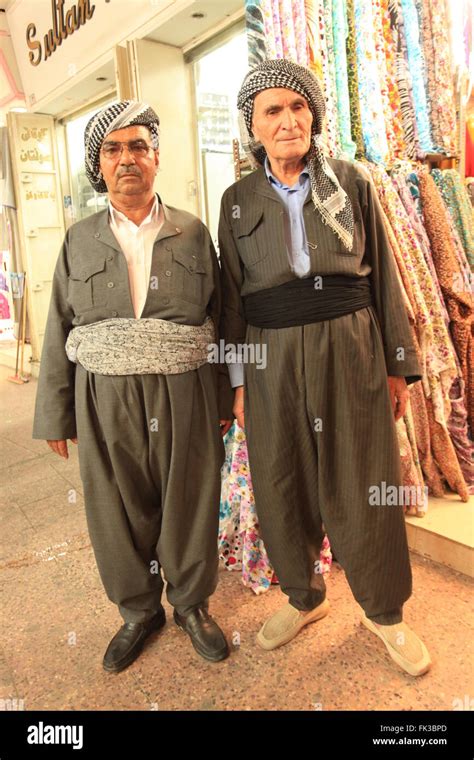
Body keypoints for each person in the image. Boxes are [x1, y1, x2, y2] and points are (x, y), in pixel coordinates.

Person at [218, 59, 432, 677]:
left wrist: (397, 365)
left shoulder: (352, 181)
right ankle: (304, 596)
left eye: (298, 107)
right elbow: (231, 299)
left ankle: (385, 612)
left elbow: (386, 276)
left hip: (351, 346)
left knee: (363, 475)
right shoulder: (236, 201)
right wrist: (236, 382)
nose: (288, 121)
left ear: (314, 114)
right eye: (272, 111)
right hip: (269, 358)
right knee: (281, 479)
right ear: (253, 127)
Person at [33, 100, 233, 672]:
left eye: (138, 147)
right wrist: (56, 414)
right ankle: (138, 612)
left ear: (157, 157)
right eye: (114, 149)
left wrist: (223, 395)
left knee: (189, 499)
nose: (127, 159)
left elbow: (221, 316)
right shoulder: (79, 240)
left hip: (185, 390)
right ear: (100, 164)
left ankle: (192, 605)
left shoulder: (193, 233)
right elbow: (59, 328)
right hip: (105, 397)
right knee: (115, 508)